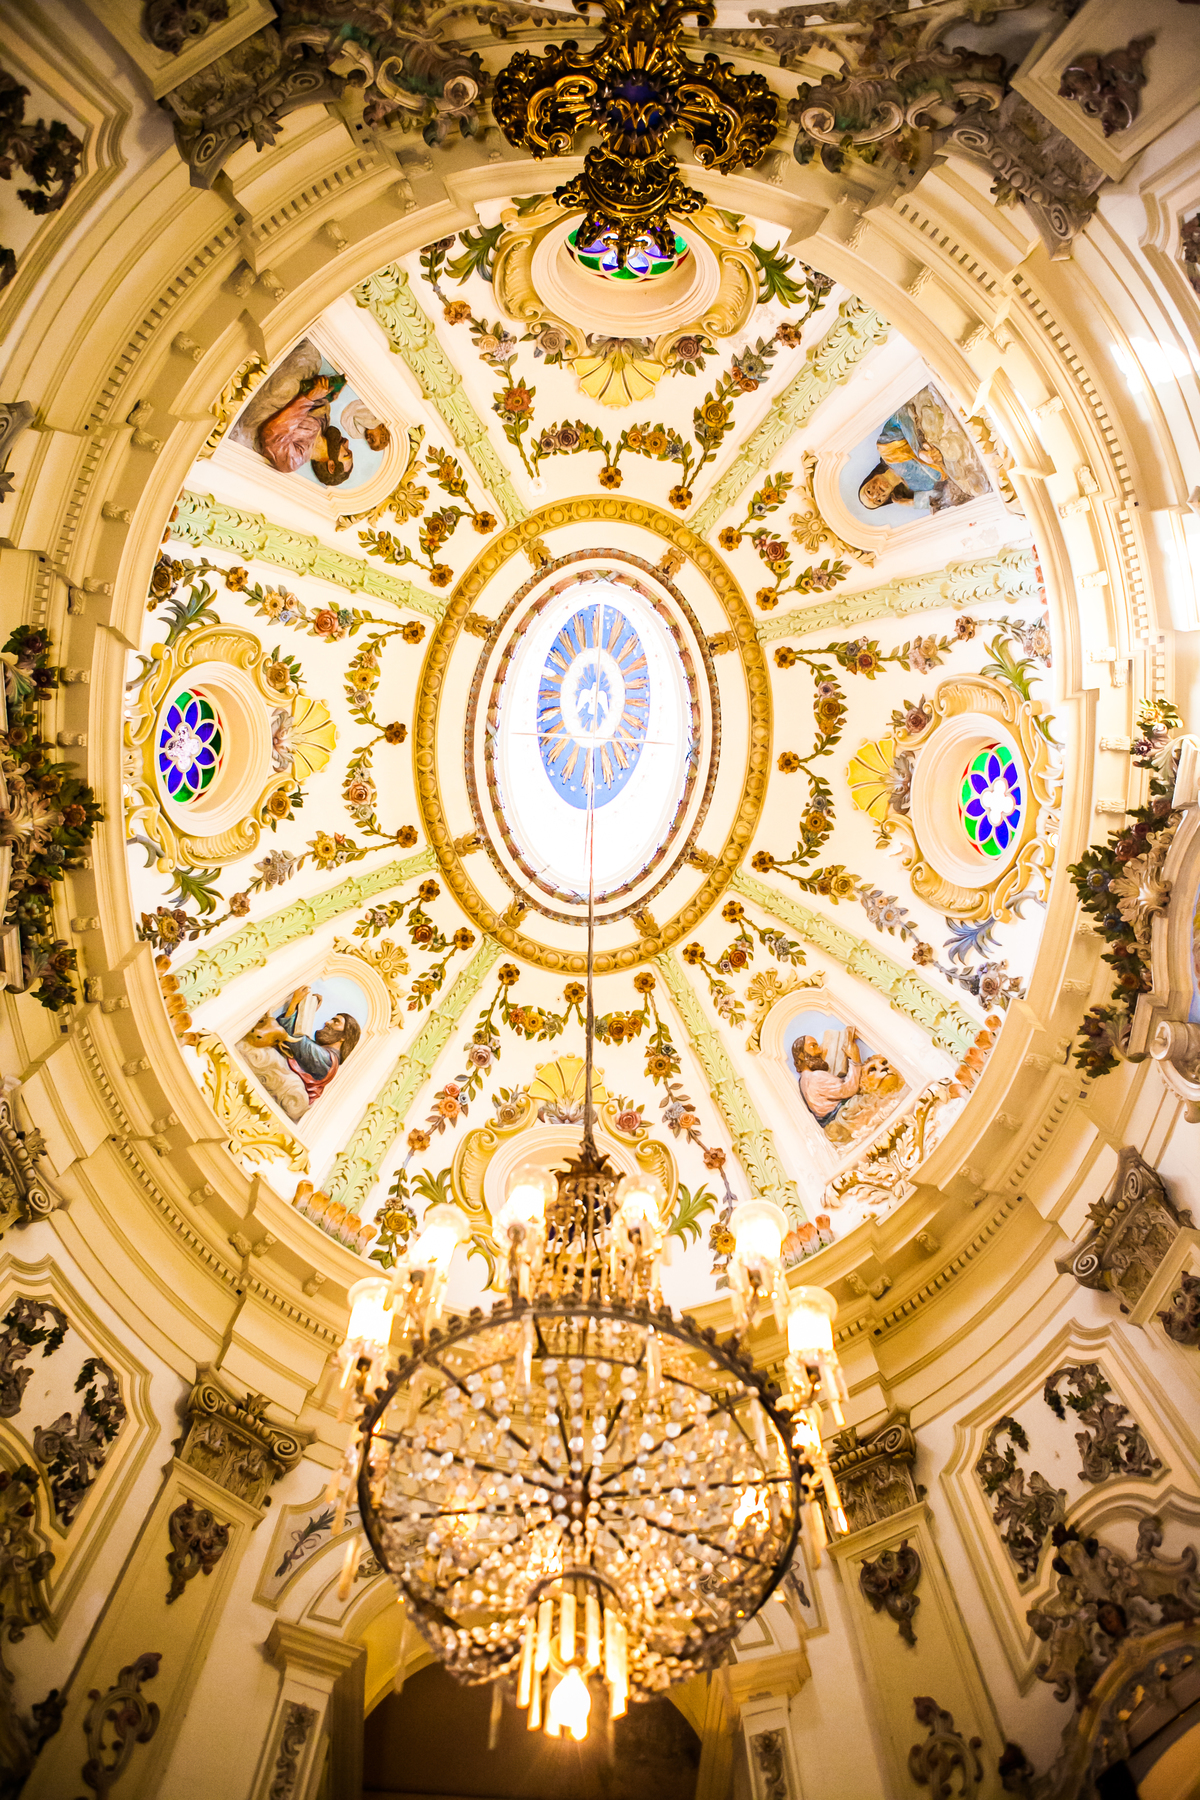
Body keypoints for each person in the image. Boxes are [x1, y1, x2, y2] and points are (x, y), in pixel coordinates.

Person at [272, 985, 360, 1106]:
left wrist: (294, 1004)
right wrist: (307, 1009)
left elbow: (295, 1040)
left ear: (344, 1037)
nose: (327, 1022)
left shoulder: (327, 1059)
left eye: (336, 1022)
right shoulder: (323, 1054)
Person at [792, 1031, 862, 1130]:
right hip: (844, 1119)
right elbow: (849, 1089)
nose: (819, 1051)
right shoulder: (815, 1077)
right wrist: (855, 1059)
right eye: (813, 1046)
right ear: (801, 1056)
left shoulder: (804, 1080)